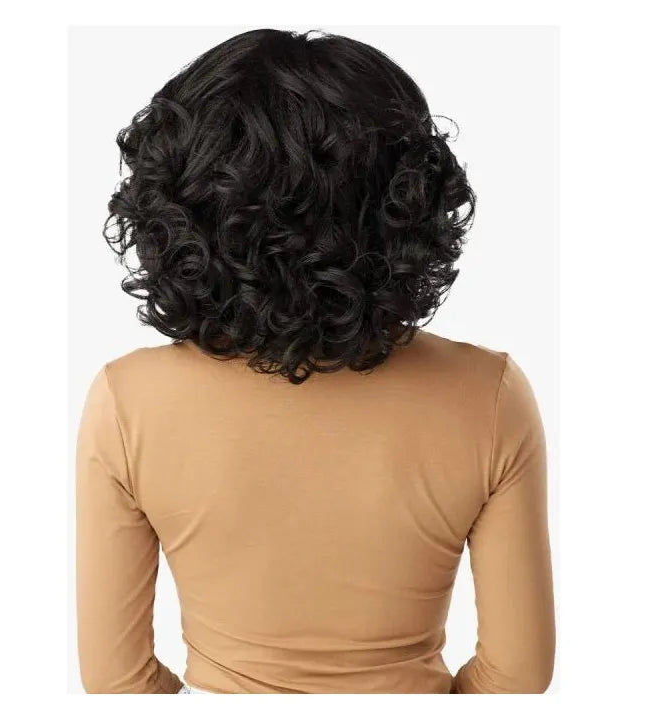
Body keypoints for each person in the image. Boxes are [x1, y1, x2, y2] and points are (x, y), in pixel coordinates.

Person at [76, 28, 555, 694]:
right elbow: (517, 675)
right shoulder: (489, 394)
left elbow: (115, 682)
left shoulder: (127, 400)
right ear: (406, 202)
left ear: (182, 201)